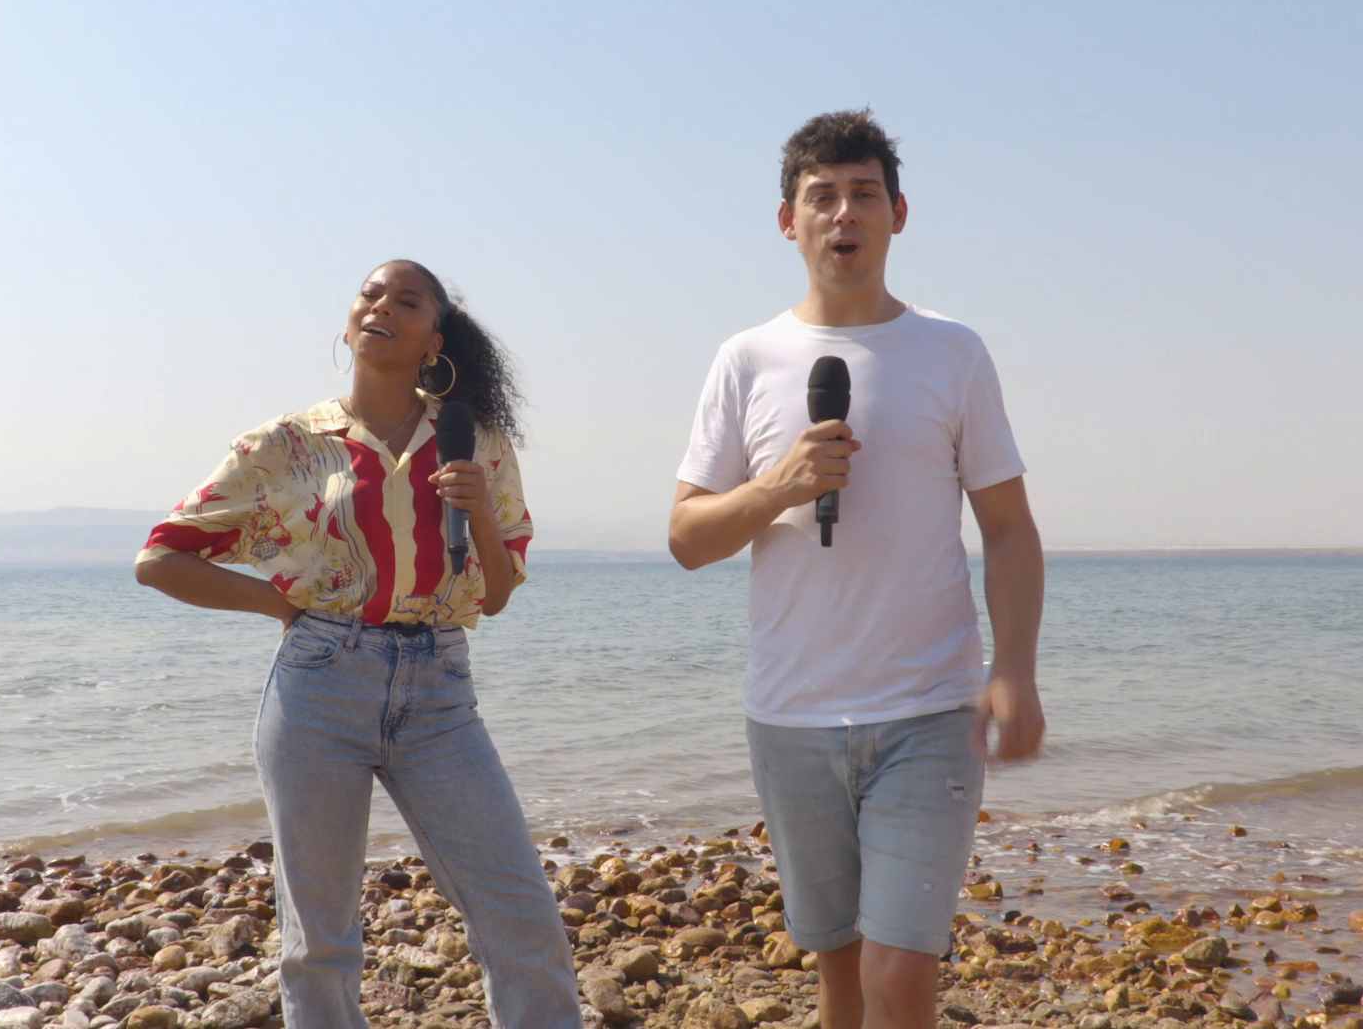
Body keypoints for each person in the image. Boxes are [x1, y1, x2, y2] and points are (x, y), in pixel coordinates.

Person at [668, 111, 1046, 1029]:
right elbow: (687, 537)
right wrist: (778, 487)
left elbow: (1007, 527)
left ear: (898, 215)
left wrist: (1014, 671)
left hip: (929, 711)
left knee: (900, 975)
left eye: (864, 194)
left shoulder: (952, 351)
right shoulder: (745, 359)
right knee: (839, 973)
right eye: (822, 196)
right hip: (790, 716)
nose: (844, 213)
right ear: (788, 221)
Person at [134, 260, 581, 1029]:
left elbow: (499, 592)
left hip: (440, 694)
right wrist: (280, 605)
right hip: (319, 687)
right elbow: (160, 558)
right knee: (320, 939)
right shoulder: (287, 445)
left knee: (521, 913)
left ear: (434, 338)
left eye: (406, 301)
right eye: (370, 295)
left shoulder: (475, 439)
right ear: (349, 322)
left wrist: (477, 509)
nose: (382, 308)